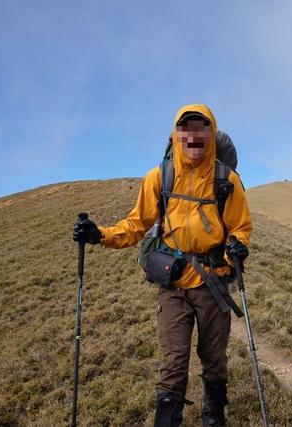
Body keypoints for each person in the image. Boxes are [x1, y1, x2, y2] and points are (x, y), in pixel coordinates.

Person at [72, 104, 253, 426]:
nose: (193, 135)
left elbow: (240, 226)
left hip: (213, 283)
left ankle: (214, 415)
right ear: (176, 134)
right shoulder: (160, 176)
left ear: (210, 133)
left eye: (201, 128)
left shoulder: (227, 180)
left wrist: (238, 246)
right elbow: (136, 224)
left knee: (213, 357)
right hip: (173, 284)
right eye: (186, 128)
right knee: (174, 360)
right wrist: (99, 235)